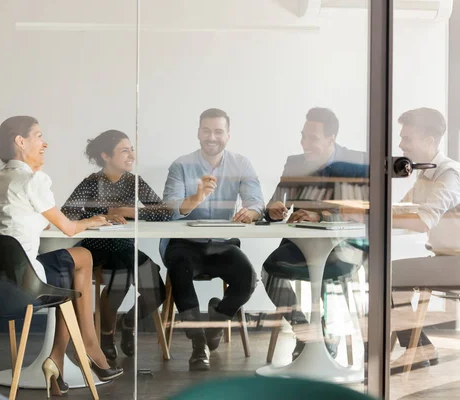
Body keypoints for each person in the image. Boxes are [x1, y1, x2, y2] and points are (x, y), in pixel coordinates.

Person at [0, 116, 123, 397]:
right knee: (81, 258)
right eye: (38, 136)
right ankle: (84, 348)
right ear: (21, 142)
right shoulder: (33, 180)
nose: (44, 143)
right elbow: (69, 228)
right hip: (27, 281)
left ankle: (59, 357)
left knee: (75, 264)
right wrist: (94, 220)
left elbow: (33, 222)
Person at [162, 108, 265, 371]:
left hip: (222, 244)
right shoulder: (181, 165)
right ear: (198, 133)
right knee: (180, 271)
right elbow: (169, 209)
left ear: (227, 136)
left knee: (248, 278)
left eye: (218, 131)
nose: (212, 136)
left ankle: (216, 321)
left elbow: (256, 203)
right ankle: (198, 344)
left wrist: (250, 213)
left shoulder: (241, 164)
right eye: (206, 130)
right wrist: (196, 198)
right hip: (184, 244)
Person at [262, 107, 368, 360]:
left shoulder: (357, 162)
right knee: (269, 271)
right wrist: (273, 210)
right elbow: (275, 203)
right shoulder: (295, 163)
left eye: (313, 138)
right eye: (303, 136)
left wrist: (322, 216)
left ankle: (329, 339)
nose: (304, 143)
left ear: (332, 138)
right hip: (301, 246)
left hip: (344, 246)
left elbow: (365, 211)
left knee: (327, 272)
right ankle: (305, 331)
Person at [389, 107, 460, 373]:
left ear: (428, 141)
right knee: (390, 274)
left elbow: (422, 222)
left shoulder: (450, 175)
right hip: (447, 259)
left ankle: (418, 349)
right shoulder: (425, 174)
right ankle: (418, 347)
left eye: (406, 138)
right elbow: (403, 207)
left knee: (390, 274)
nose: (400, 144)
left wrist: (378, 217)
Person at [62, 129, 171, 361]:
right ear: (106, 156)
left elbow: (162, 213)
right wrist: (101, 217)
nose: (131, 155)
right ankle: (106, 334)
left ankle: (128, 323)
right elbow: (67, 212)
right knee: (118, 280)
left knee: (157, 290)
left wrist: (126, 211)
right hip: (97, 248)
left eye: (131, 149)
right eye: (124, 150)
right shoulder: (92, 182)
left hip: (125, 247)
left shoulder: (134, 181)